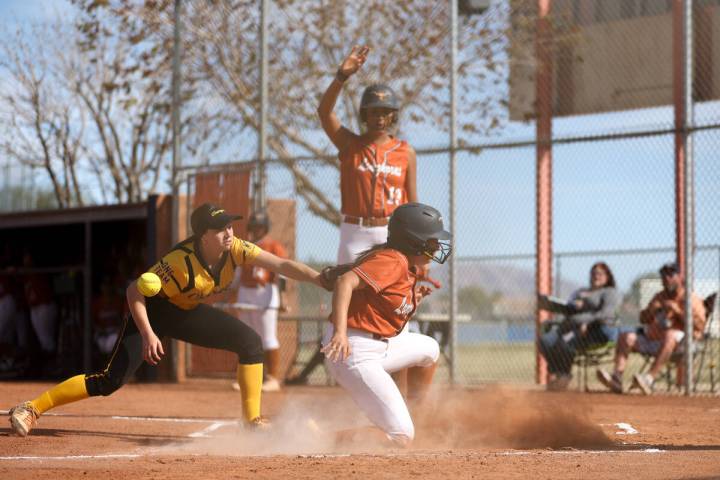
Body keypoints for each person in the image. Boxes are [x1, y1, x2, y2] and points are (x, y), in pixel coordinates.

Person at [7, 203, 326, 437]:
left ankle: (251, 421)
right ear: (203, 235)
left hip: (185, 312)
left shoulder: (235, 250)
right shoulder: (179, 263)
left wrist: (319, 278)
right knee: (109, 381)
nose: (229, 233)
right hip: (151, 313)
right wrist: (147, 334)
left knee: (251, 343)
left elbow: (282, 265)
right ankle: (32, 408)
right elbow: (134, 291)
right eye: (221, 228)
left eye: (230, 226)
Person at [285, 45, 434, 387]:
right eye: (372, 111)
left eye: (385, 111)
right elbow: (324, 114)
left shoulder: (405, 152)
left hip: (393, 235)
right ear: (363, 115)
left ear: (393, 115)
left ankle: (399, 392)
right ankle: (352, 381)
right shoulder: (349, 144)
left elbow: (413, 202)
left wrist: (421, 251)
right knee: (348, 300)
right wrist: (341, 77)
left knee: (398, 312)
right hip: (355, 232)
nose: (378, 117)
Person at [321, 202, 452, 446]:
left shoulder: (405, 265)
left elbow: (383, 312)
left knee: (430, 349)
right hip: (353, 352)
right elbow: (344, 282)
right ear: (414, 241)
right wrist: (340, 333)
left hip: (375, 345)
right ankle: (318, 439)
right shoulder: (392, 261)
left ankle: (414, 414)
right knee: (401, 437)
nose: (436, 247)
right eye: (432, 241)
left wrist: (414, 300)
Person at [597, 262, 706, 395]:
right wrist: (651, 311)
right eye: (664, 275)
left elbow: (700, 325)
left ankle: (648, 379)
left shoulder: (691, 298)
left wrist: (677, 311)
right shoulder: (659, 296)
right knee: (626, 336)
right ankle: (617, 378)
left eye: (671, 274)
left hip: (681, 345)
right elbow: (643, 320)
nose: (666, 278)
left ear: (679, 277)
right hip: (654, 341)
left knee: (670, 335)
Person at [538, 262, 621, 391]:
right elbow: (568, 309)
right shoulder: (581, 292)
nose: (595, 276)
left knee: (565, 341)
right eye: (593, 273)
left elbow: (606, 314)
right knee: (546, 340)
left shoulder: (609, 292)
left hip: (597, 329)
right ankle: (560, 374)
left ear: (607, 276)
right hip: (571, 326)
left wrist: (587, 322)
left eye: (599, 274)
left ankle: (564, 376)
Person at [230, 210, 288, 393]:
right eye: (254, 227)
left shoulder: (273, 246)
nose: (256, 230)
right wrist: (229, 291)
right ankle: (245, 377)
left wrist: (283, 297)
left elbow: (282, 272)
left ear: (266, 227)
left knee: (268, 337)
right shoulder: (244, 246)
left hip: (266, 292)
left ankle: (272, 379)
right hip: (245, 292)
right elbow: (238, 273)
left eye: (260, 227)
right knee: (245, 336)